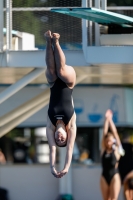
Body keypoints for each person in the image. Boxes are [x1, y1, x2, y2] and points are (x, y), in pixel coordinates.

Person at [45, 30, 76, 178]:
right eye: (62, 140)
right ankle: (56, 42)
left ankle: (47, 41)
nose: (59, 138)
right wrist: (65, 167)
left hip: (53, 84)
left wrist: (52, 167)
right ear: (66, 135)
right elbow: (69, 149)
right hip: (69, 82)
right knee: (61, 71)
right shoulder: (71, 125)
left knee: (51, 72)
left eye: (58, 140)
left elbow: (52, 149)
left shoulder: (50, 126)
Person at [100, 109, 122, 200]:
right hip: (104, 176)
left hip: (114, 176)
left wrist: (111, 120)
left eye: (110, 141)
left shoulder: (117, 150)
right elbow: (104, 132)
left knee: (113, 199)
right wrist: (106, 120)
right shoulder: (103, 150)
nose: (108, 142)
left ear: (113, 142)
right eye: (107, 141)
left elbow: (115, 134)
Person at [119, 133, 133, 200]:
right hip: (130, 170)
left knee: (126, 188)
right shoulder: (130, 146)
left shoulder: (120, 147)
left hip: (122, 170)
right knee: (130, 189)